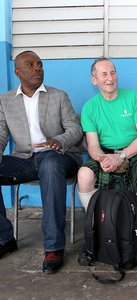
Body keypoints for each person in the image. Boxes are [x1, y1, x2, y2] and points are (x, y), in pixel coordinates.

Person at [0, 51, 83, 274]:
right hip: (24, 159)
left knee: (50, 164)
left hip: (59, 157)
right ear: (18, 72)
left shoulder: (58, 96)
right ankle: (4, 238)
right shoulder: (5, 100)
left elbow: (75, 129)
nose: (37, 68)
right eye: (30, 65)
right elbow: (1, 135)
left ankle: (54, 247)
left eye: (40, 64)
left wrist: (59, 140)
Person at [77, 57, 137, 232]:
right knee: (84, 174)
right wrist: (102, 159)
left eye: (113, 73)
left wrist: (121, 156)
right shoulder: (89, 108)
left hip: (135, 152)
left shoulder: (134, 98)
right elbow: (92, 144)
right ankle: (99, 228)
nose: (110, 78)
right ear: (94, 80)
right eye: (104, 74)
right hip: (106, 154)